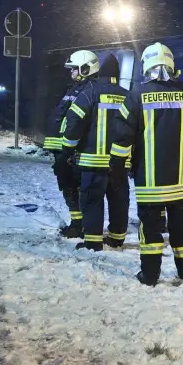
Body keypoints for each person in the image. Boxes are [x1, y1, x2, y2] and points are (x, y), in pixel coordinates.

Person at [111, 43, 183, 285]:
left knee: (151, 229)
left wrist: (117, 165)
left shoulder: (136, 96)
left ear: (146, 66)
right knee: (181, 227)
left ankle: (150, 275)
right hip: (181, 180)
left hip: (150, 181)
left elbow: (122, 136)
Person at [60, 54, 130, 251]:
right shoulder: (128, 95)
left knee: (92, 201)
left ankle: (92, 241)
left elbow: (74, 122)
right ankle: (117, 238)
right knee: (118, 200)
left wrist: (68, 148)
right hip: (119, 162)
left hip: (92, 162)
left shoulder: (90, 92)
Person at [45, 50, 99, 238]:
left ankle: (79, 225)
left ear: (85, 68)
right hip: (63, 149)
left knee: (73, 187)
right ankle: (77, 222)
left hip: (71, 150)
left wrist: (69, 149)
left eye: (74, 69)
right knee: (68, 186)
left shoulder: (88, 90)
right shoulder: (78, 88)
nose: (71, 73)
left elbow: (78, 122)